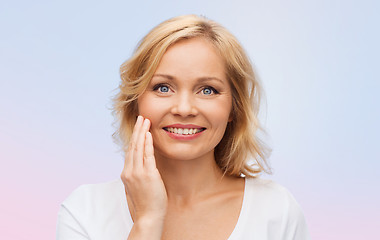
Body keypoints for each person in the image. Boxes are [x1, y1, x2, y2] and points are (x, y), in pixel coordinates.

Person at [56, 15, 310, 240]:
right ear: (135, 103)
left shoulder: (276, 210)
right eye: (163, 88)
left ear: (234, 108)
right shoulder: (85, 211)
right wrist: (147, 221)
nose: (184, 108)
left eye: (207, 90)